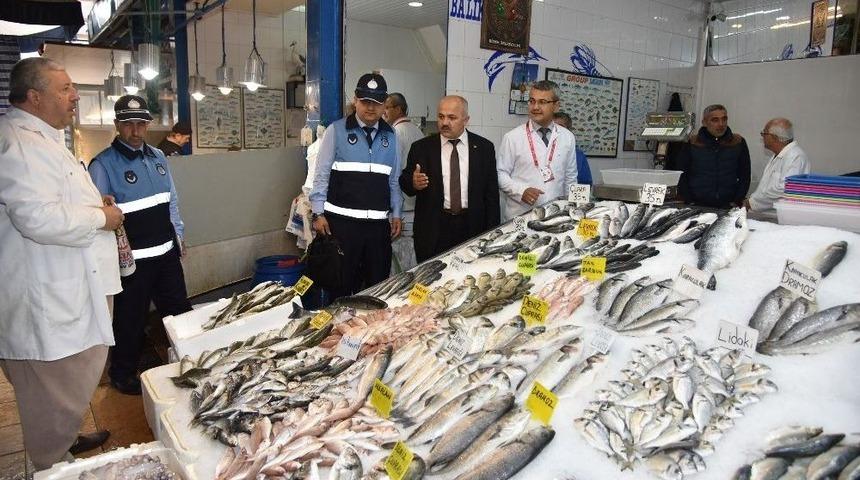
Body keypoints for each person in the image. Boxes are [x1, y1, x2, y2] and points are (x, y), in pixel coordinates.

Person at [0, 57, 124, 469]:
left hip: (67, 285)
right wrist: (100, 217)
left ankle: (64, 437)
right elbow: (36, 217)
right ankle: (51, 464)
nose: (75, 97)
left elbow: (51, 199)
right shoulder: (18, 142)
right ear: (34, 97)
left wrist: (93, 203)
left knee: (66, 386)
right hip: (48, 298)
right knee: (50, 388)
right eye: (66, 89)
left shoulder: (43, 137)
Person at [89, 94, 193, 395]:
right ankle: (122, 373)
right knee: (130, 320)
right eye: (128, 124)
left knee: (179, 312)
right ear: (117, 125)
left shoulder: (158, 158)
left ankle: (189, 360)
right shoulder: (103, 165)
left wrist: (179, 236)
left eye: (141, 124)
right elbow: (98, 215)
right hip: (132, 262)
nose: (135, 131)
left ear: (148, 125)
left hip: (166, 254)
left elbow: (171, 200)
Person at [309, 73, 403, 299]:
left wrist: (397, 213)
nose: (371, 108)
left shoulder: (391, 137)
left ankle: (369, 331)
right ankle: (336, 331)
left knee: (377, 286)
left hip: (377, 229)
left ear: (384, 106)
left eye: (377, 103)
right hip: (342, 227)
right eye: (365, 102)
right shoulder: (337, 131)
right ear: (355, 101)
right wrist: (317, 212)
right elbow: (321, 174)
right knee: (340, 284)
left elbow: (393, 179)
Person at [399, 96, 500, 262]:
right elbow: (405, 182)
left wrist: (492, 233)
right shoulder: (421, 148)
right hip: (434, 229)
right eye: (441, 116)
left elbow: (491, 196)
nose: (444, 122)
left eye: (452, 117)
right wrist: (413, 182)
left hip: (472, 226)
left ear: (466, 120)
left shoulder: (484, 148)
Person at [498, 80, 578, 221]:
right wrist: (520, 191)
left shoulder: (567, 137)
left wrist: (572, 210)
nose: (535, 107)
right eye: (532, 101)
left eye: (542, 102)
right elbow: (500, 174)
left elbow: (570, 178)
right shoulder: (513, 137)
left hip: (556, 215)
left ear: (556, 106)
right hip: (521, 216)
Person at [677, 104, 751, 208]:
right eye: (715, 120)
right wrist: (689, 201)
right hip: (697, 204)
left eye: (724, 119)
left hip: (728, 204)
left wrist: (737, 200)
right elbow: (682, 174)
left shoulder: (737, 142)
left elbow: (745, 176)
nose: (721, 124)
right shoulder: (692, 143)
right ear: (704, 122)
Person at [384, 92, 424, 272]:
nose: (384, 112)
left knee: (397, 265)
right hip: (415, 206)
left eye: (387, 107)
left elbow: (393, 173)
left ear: (398, 109)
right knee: (412, 260)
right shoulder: (417, 130)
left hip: (400, 209)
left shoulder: (396, 133)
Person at [745, 118, 811, 219]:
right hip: (767, 215)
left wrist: (752, 203)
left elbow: (784, 189)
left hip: (779, 218)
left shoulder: (795, 156)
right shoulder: (779, 155)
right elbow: (766, 188)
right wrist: (751, 201)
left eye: (764, 133)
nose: (762, 136)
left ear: (774, 137)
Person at [553, 111, 593, 185]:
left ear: (569, 130)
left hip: (568, 194)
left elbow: (585, 184)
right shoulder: (541, 150)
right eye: (553, 126)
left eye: (560, 126)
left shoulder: (578, 155)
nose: (556, 130)